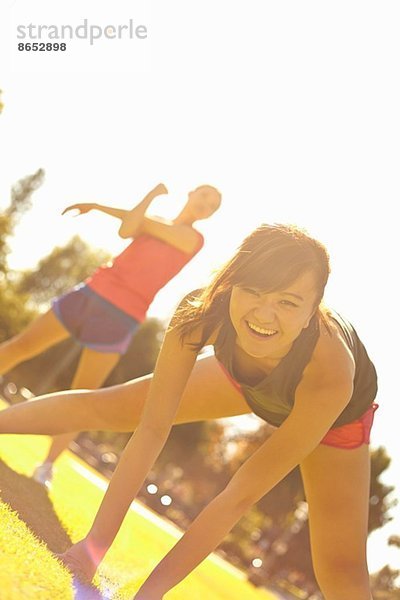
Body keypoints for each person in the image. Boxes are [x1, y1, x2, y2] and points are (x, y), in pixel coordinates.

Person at [0, 224, 378, 599]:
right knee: (112, 407)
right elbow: (152, 429)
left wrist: (152, 593)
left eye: (288, 302)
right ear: (233, 282)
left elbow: (239, 495)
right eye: (252, 291)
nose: (264, 314)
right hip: (244, 375)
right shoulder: (202, 312)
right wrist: (91, 549)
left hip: (337, 420)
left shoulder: (330, 375)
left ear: (314, 310)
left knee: (340, 572)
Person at [0, 182, 221, 486]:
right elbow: (127, 228)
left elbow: (137, 223)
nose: (205, 204)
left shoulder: (192, 238)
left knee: (83, 394)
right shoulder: (154, 221)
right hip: (92, 292)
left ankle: (47, 466)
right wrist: (138, 198)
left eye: (211, 206)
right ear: (192, 192)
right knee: (21, 345)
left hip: (122, 314)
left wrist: (106, 207)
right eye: (204, 196)